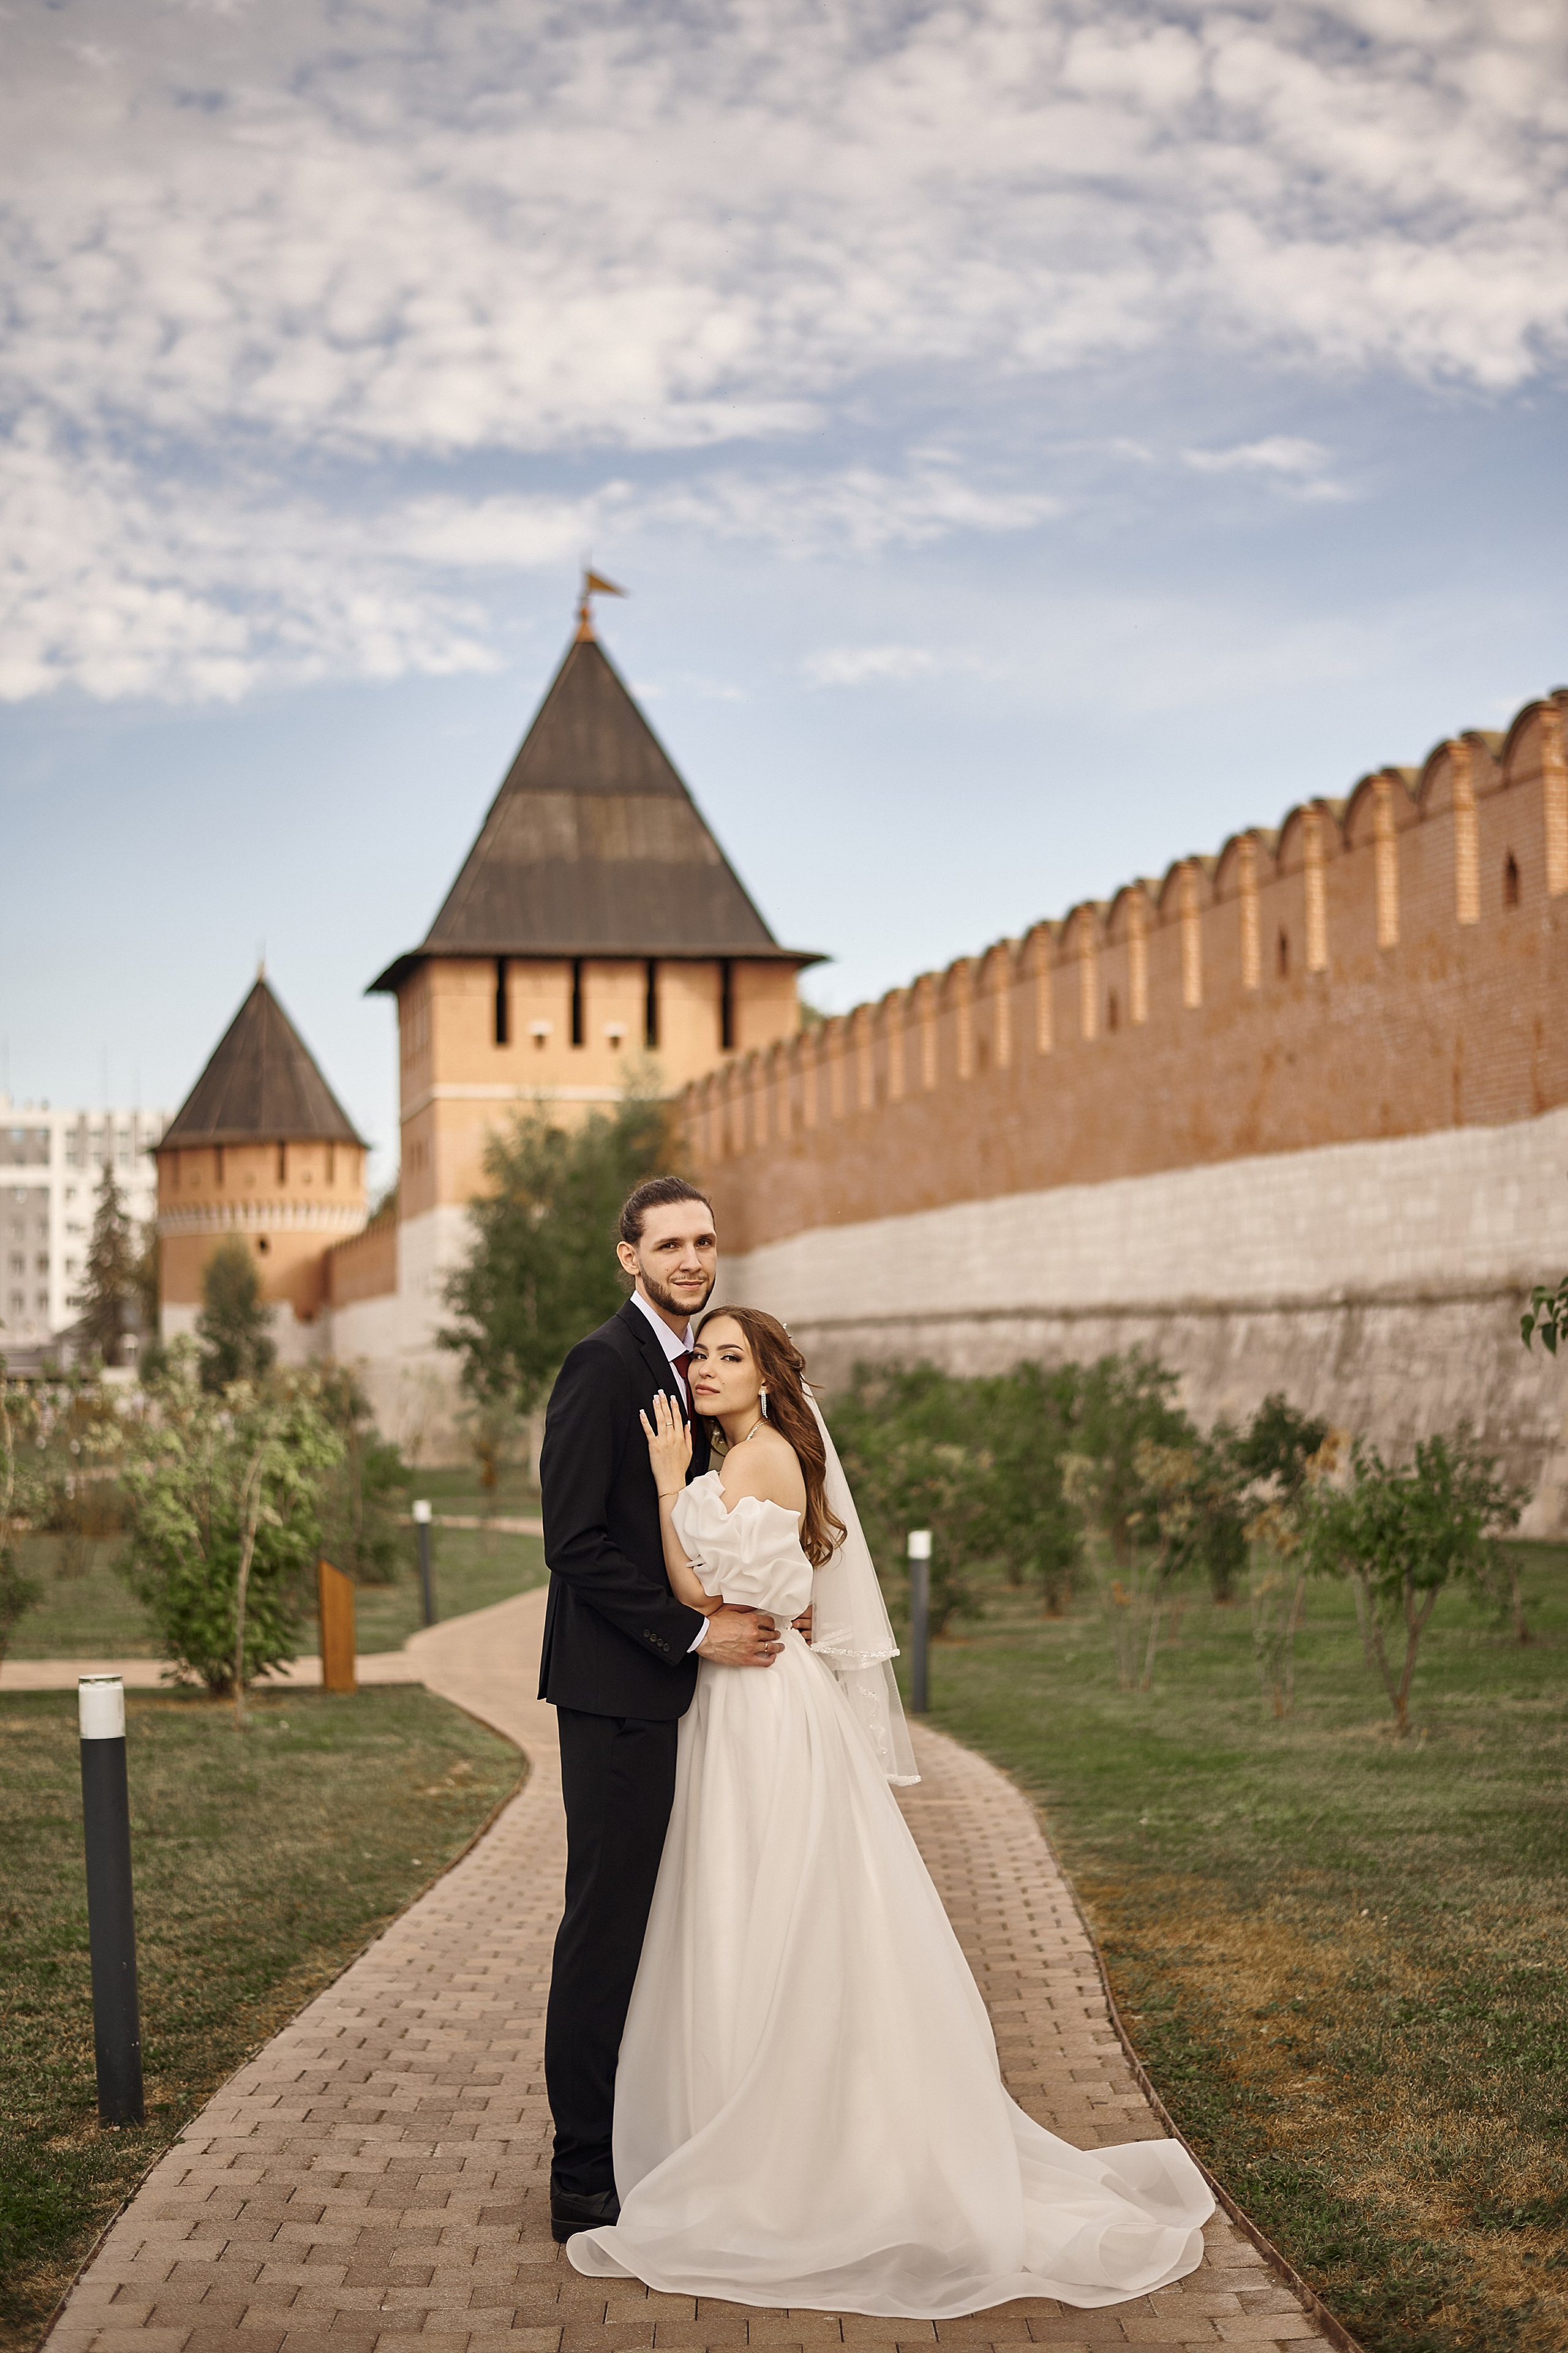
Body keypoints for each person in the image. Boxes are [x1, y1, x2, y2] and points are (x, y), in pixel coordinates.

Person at [566, 1305, 1215, 2317]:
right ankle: (735, 2119)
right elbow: (755, 1585)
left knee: (757, 1906)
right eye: (704, 1353)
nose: (705, 1366)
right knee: (736, 1905)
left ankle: (776, 2143)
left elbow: (698, 1588)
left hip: (756, 1705)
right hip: (741, 1698)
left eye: (731, 1356)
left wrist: (661, 1488)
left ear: (770, 1379)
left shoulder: (756, 1459)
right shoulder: (745, 1451)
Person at [537, 1178, 790, 2246]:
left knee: (684, 1921)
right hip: (619, 1695)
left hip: (698, 1691)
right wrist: (694, 1634)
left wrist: (767, 1603)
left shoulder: (701, 1365)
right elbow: (576, 1541)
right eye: (670, 1243)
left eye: (706, 1240)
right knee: (609, 1923)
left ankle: (667, 2133)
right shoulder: (604, 1364)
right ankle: (583, 2168)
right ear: (626, 1256)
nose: (693, 1257)